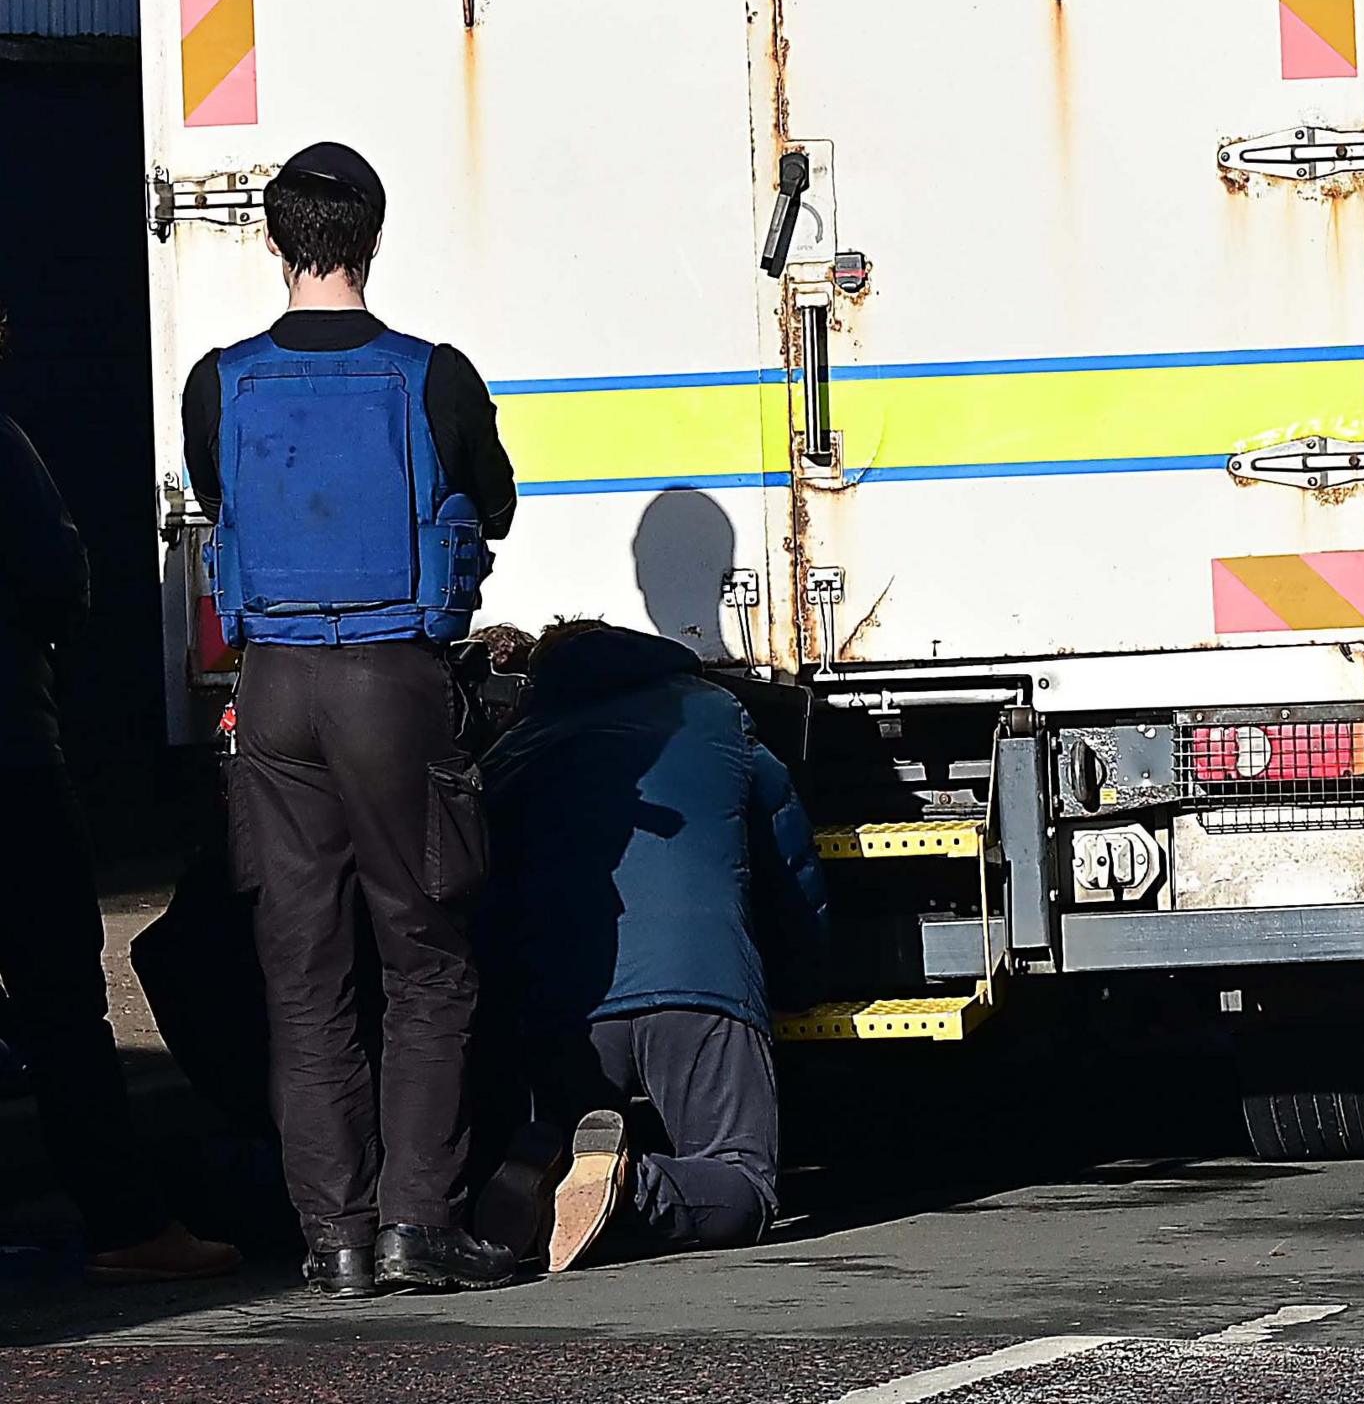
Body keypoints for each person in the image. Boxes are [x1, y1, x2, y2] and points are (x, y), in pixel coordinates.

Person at [186, 142, 519, 1294]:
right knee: (425, 959)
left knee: (303, 969)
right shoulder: (432, 376)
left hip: (272, 688)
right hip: (394, 683)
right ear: (372, 239)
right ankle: (419, 1227)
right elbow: (498, 505)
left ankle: (332, 1238)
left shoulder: (216, 383)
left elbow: (219, 503)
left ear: (274, 243)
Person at [0, 314, 238, 1286]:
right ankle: (126, 1224)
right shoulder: (4, 447)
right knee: (62, 1006)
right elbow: (59, 579)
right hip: (8, 755)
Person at [476, 623, 823, 1271]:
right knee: (742, 1180)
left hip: (566, 1004)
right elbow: (788, 849)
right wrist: (801, 976)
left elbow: (485, 890)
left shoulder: (514, 748)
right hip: (699, 977)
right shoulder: (711, 712)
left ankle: (547, 1160)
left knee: (571, 1135)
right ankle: (632, 1185)